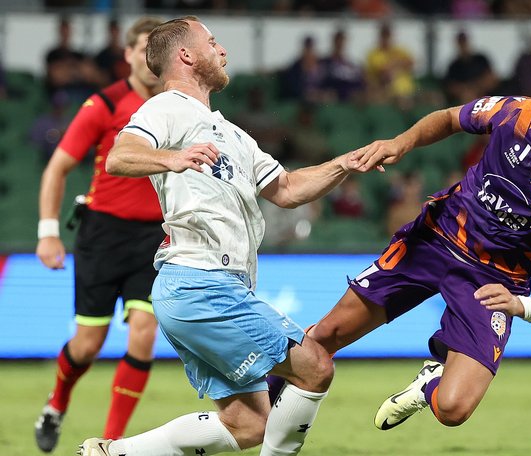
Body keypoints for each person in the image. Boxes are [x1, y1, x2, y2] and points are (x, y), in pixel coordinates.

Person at [266, 82, 531, 429]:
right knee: (326, 335)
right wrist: (402, 143)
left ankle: (430, 382)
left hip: (493, 283)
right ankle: (260, 414)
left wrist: (520, 305)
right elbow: (449, 118)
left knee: (453, 410)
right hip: (434, 241)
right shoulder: (523, 115)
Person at [78, 16, 363, 456]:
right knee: (315, 367)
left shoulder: (233, 134)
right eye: (213, 42)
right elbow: (120, 155)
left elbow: (286, 190)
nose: (223, 50)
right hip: (200, 282)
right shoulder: (167, 107)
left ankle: (113, 453)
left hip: (206, 287)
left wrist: (346, 163)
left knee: (248, 425)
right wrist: (172, 158)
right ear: (186, 55)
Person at [33, 17, 165, 454]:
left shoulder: (176, 107)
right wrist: (48, 233)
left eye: (157, 51)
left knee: (144, 331)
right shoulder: (103, 105)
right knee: (88, 344)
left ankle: (110, 443)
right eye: (142, 50)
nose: (149, 61)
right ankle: (56, 404)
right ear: (126, 55)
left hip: (155, 238)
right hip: (103, 235)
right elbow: (57, 168)